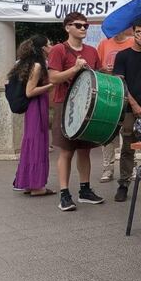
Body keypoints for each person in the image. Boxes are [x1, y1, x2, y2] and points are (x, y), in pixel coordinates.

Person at [48, 12, 104, 211]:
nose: (83, 29)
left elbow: (96, 76)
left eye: (85, 26)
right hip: (66, 104)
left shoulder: (92, 51)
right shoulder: (58, 49)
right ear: (67, 27)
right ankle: (64, 193)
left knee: (85, 150)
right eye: (78, 25)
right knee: (66, 150)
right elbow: (53, 78)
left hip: (87, 104)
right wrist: (74, 69)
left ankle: (85, 190)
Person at [111, 18, 141, 202]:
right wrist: (134, 104)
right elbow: (120, 82)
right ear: (132, 32)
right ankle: (124, 183)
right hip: (129, 107)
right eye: (138, 32)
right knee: (128, 146)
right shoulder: (123, 55)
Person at [9, 36, 54, 196]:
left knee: (31, 142)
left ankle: (28, 182)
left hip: (33, 107)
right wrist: (50, 85)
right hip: (36, 105)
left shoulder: (24, 63)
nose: (51, 47)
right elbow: (30, 91)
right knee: (37, 142)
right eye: (49, 44)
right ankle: (37, 185)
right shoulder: (37, 66)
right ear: (42, 48)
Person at [97, 28, 135, 183]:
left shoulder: (133, 42)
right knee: (107, 133)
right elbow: (97, 67)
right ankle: (108, 169)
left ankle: (129, 168)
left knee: (128, 134)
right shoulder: (104, 44)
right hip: (109, 94)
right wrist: (104, 70)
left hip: (128, 94)